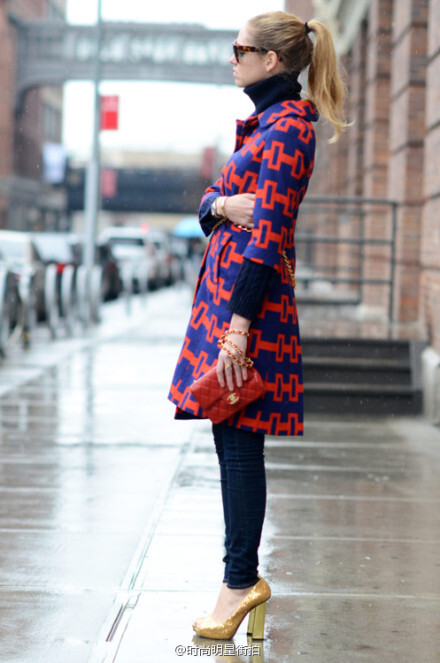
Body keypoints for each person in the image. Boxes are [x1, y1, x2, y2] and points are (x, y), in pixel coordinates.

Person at [168, 10, 349, 640]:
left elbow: (267, 238)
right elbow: (206, 203)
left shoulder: (289, 131)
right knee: (232, 444)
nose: (232, 58)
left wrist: (239, 328)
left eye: (239, 49)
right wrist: (220, 204)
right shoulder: (263, 127)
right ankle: (240, 583)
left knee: (241, 449)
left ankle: (240, 583)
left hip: (252, 313)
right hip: (232, 306)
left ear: (271, 60)